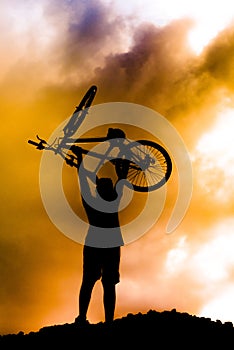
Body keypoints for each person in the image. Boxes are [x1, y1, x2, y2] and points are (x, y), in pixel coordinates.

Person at [71, 131, 129, 325]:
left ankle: (82, 317)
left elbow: (83, 181)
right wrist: (122, 153)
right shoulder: (114, 201)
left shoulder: (93, 203)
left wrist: (80, 159)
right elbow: (123, 175)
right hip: (110, 244)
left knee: (88, 281)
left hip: (94, 243)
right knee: (108, 283)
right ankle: (109, 321)